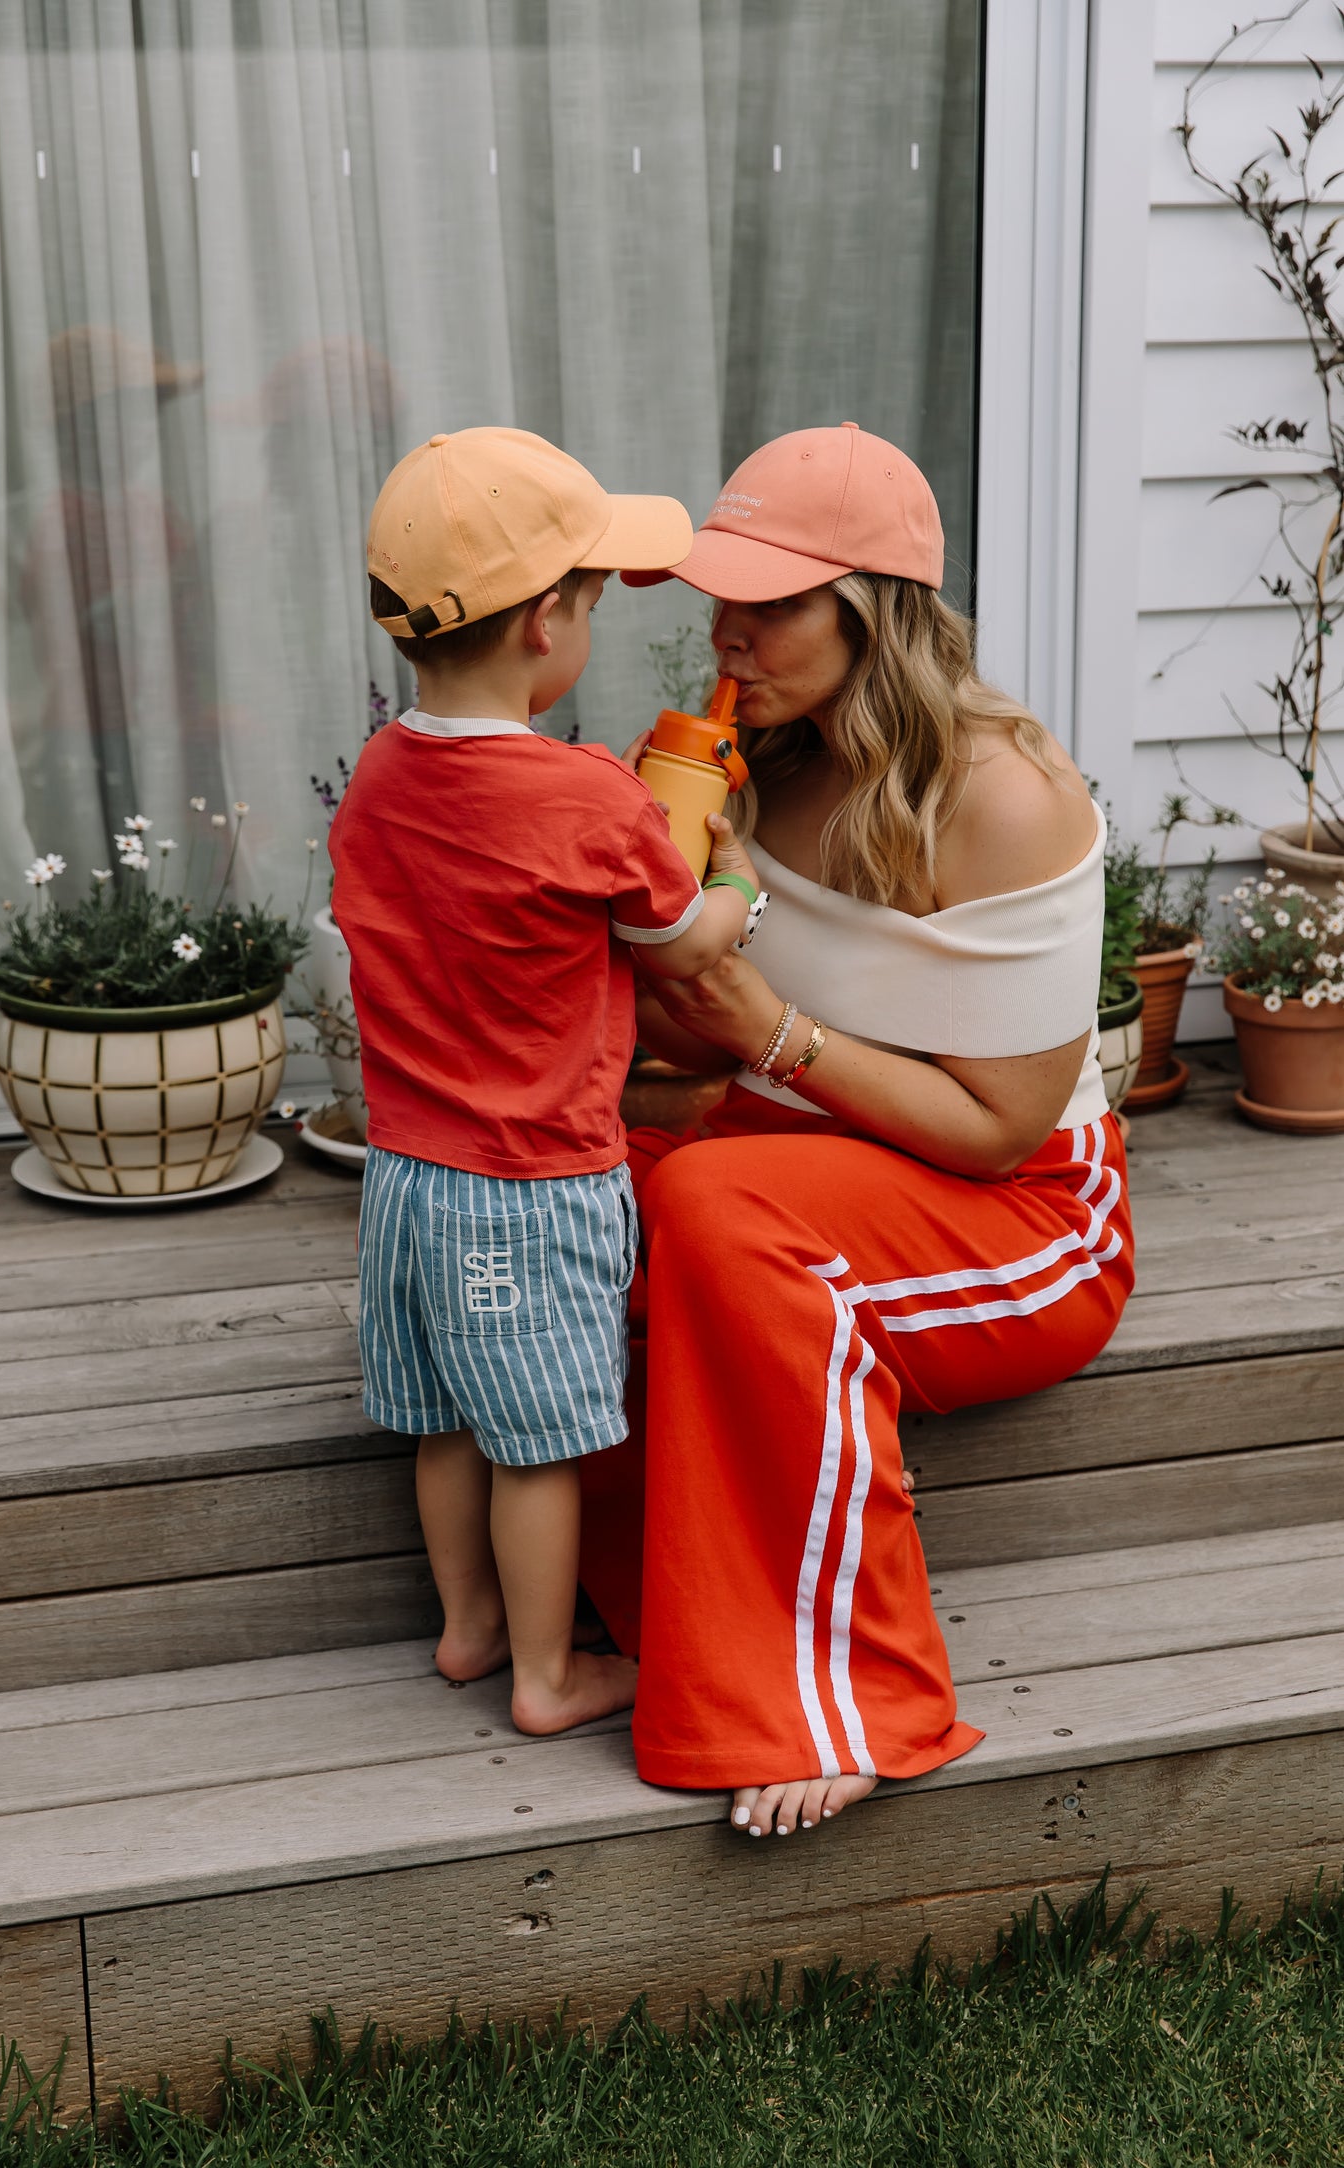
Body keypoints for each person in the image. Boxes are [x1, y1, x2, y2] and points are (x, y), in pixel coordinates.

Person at [579, 422, 1135, 1837]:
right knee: (552, 1198)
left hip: (1021, 1221)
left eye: (770, 604)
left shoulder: (999, 797)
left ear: (872, 612)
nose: (728, 632)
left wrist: (761, 1029)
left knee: (715, 1210)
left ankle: (830, 1692)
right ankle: (636, 1614)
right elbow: (675, 1046)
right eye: (723, 598)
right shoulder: (755, 757)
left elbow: (998, 1131)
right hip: (787, 1139)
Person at [330, 426, 763, 1738]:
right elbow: (678, 934)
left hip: (404, 1179)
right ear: (543, 627)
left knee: (445, 1425)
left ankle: (465, 1631)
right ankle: (543, 1674)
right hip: (530, 1186)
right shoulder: (586, 796)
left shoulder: (380, 775)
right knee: (538, 1445)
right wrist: (732, 880)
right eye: (586, 601)